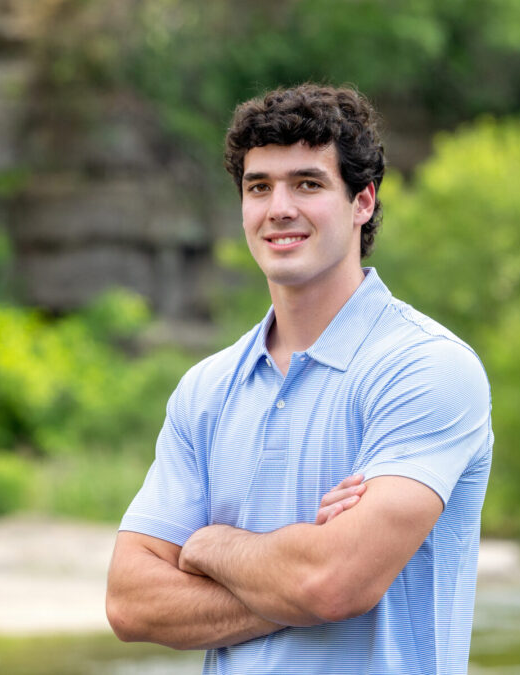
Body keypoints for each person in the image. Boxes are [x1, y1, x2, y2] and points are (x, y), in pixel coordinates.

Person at [105, 83, 493, 674]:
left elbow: (334, 583)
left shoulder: (425, 368)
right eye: (259, 187)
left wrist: (210, 546)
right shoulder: (206, 389)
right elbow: (130, 601)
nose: (278, 208)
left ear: (362, 201)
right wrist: (300, 575)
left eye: (307, 184)